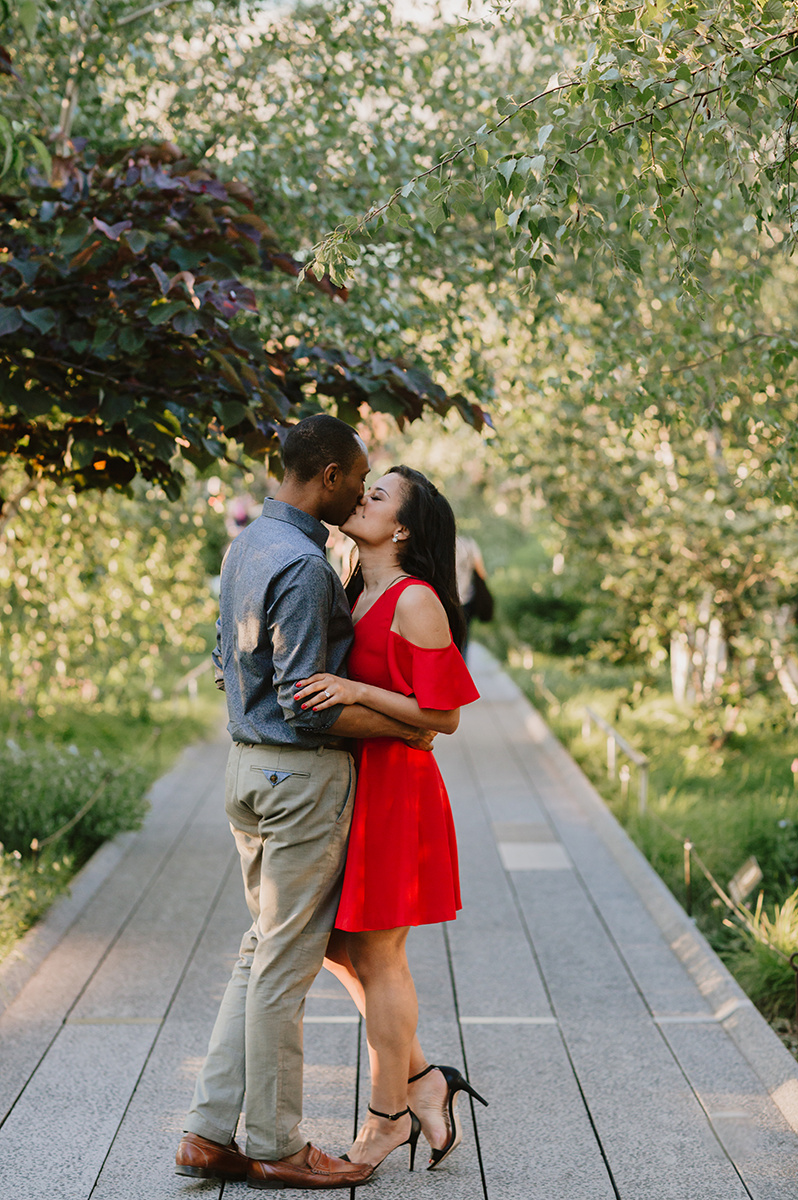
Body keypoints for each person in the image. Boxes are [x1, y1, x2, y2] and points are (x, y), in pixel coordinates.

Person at [175, 417, 436, 1192]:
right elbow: (308, 706)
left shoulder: (247, 545)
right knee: (283, 969)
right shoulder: (308, 566)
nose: (361, 493)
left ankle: (207, 1131)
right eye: (358, 480)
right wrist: (405, 720)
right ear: (328, 476)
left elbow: (230, 665)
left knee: (261, 953)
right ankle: (277, 1143)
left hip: (247, 773)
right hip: (297, 778)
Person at [294, 465, 488, 1175]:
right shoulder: (356, 586)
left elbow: (444, 717)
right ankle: (426, 1080)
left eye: (377, 496)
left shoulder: (416, 601)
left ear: (402, 528)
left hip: (398, 796)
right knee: (338, 948)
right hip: (360, 786)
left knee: (378, 957)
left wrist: (352, 688)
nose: (360, 497)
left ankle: (385, 1120)